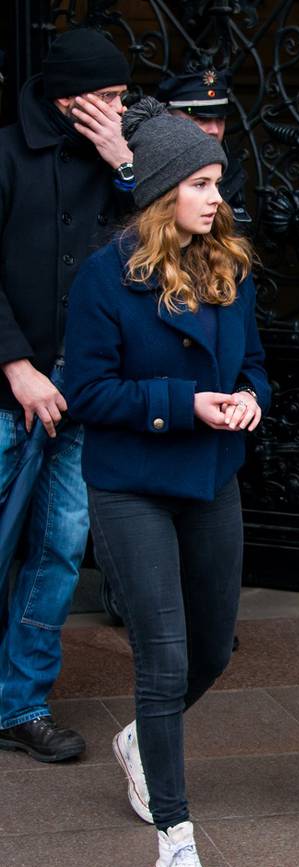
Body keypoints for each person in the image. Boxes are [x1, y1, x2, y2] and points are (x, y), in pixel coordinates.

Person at [64, 97, 270, 867]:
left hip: (210, 475)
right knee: (165, 656)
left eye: (217, 181)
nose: (215, 196)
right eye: (199, 181)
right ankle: (176, 842)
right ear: (160, 190)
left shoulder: (231, 266)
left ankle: (138, 741)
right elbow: (87, 390)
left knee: (214, 648)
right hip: (132, 484)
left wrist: (250, 398)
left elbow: (253, 364)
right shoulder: (102, 278)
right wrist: (186, 404)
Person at [0, 28, 134, 763]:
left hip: (80, 398)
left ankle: (20, 703)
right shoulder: (5, 154)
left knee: (57, 551)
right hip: (8, 393)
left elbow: (160, 246)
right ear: (72, 94)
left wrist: (123, 162)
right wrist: (16, 365)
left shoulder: (123, 157)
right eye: (111, 96)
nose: (120, 108)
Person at [156, 67, 251, 230]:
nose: (214, 130)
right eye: (200, 119)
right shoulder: (150, 169)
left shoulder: (231, 171)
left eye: (220, 119)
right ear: (168, 119)